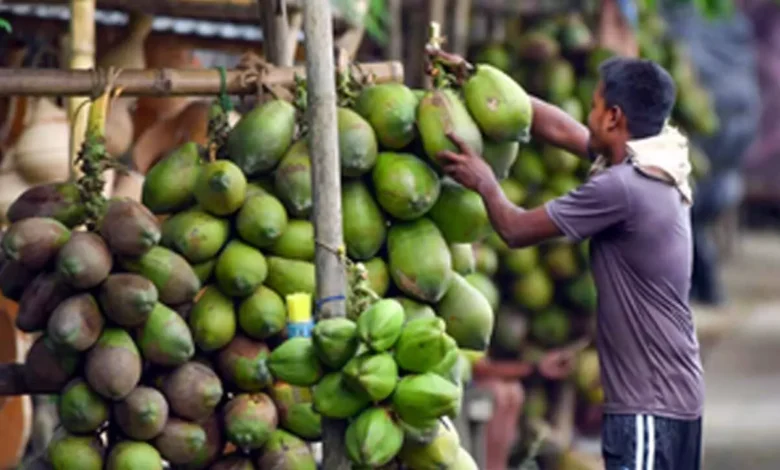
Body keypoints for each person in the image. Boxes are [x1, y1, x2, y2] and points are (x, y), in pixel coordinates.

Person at [438, 57, 705, 470]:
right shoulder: (656, 160)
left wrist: (485, 181)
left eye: (595, 106)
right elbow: (562, 129)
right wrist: (477, 82)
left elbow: (514, 229)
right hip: (668, 397)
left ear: (614, 117)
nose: (588, 113)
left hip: (649, 406)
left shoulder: (623, 188)